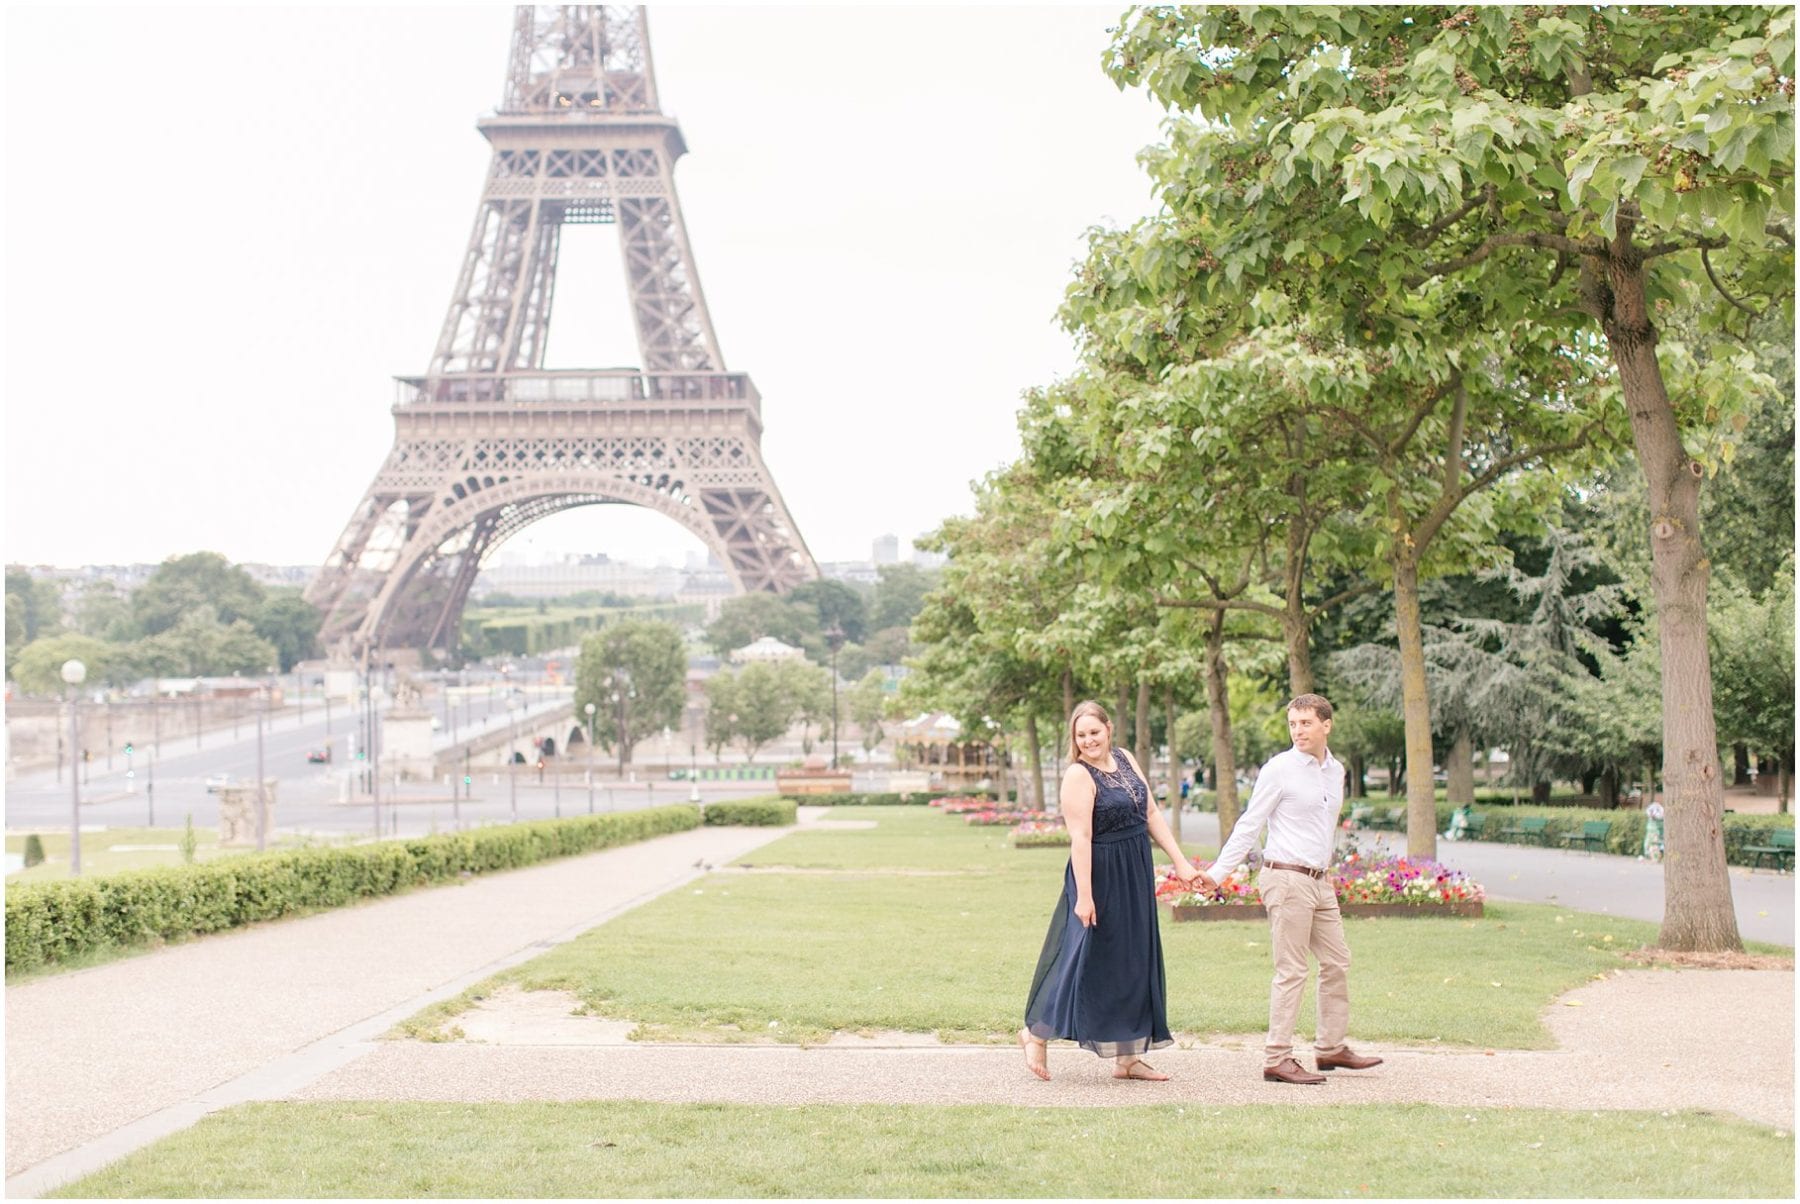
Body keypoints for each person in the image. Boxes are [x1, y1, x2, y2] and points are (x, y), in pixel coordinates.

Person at [1193, 693, 1383, 1085]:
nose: (1298, 731)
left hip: (1319, 881)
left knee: (1336, 962)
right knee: (1292, 969)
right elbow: (1250, 823)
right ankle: (1276, 1057)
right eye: (1293, 724)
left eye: (1306, 723)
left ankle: (1330, 1048)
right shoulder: (1278, 769)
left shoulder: (1336, 771)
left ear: (1326, 725)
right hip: (1286, 877)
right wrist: (1218, 872)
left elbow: (1323, 828)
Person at [1020, 700, 1200, 1081]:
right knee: (1083, 956)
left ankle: (1128, 1056)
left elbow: (1150, 813)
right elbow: (1081, 837)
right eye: (1081, 735)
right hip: (1099, 873)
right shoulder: (1077, 776)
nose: (1089, 741)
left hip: (1135, 869)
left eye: (1094, 732)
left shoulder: (1126, 759)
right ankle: (1036, 1033)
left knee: (1134, 958)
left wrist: (1180, 862)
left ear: (1108, 728)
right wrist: (1084, 896)